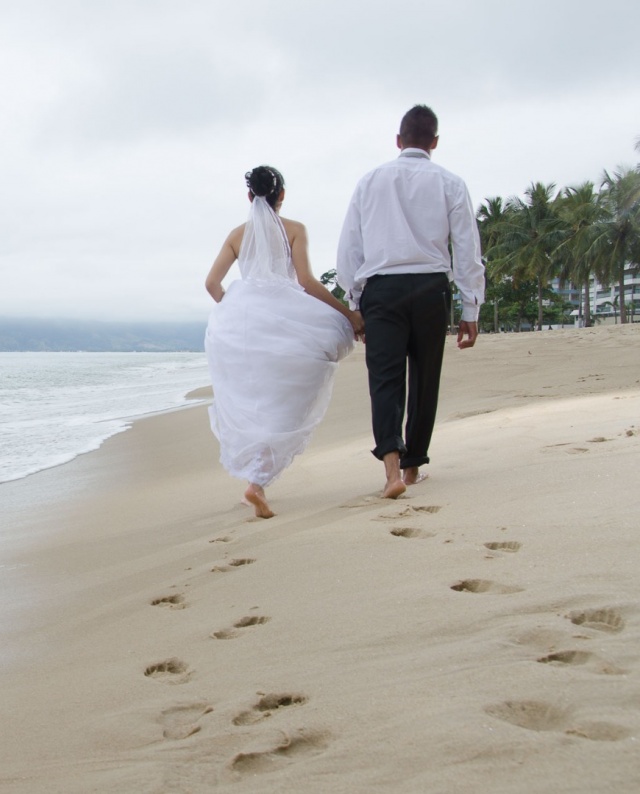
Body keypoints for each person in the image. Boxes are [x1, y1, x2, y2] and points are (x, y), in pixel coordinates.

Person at [335, 105, 484, 499]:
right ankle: (413, 467)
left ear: (398, 141)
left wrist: (356, 303)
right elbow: (467, 248)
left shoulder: (370, 181)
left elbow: (350, 246)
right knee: (424, 377)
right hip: (431, 288)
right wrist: (472, 308)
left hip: (382, 290)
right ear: (434, 142)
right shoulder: (450, 183)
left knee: (385, 381)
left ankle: (390, 473)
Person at [204, 165, 363, 519]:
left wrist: (238, 312)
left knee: (253, 403)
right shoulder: (294, 230)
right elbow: (305, 280)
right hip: (289, 326)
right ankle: (257, 483)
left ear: (250, 197)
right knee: (285, 405)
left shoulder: (236, 235)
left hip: (242, 328)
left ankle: (255, 480)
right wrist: (347, 315)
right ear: (282, 196)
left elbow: (212, 285)